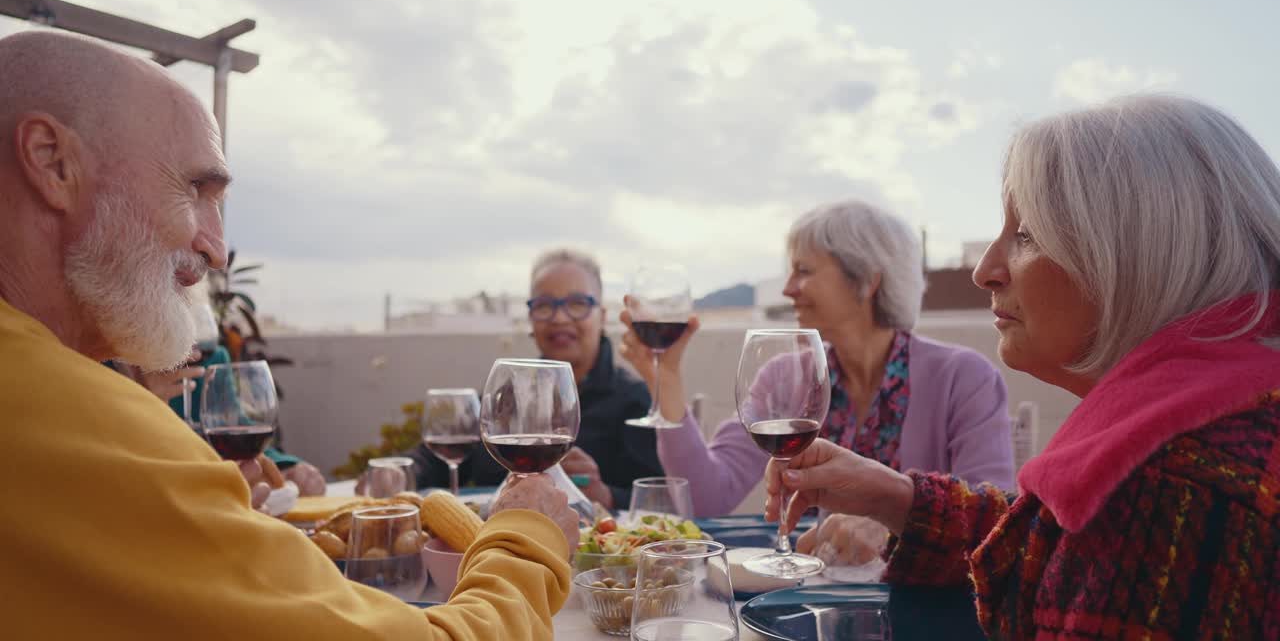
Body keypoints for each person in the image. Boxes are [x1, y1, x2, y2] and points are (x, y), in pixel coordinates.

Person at [0, 30, 577, 641]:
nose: (216, 249)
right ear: (51, 161)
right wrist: (523, 543)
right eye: (195, 190)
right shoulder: (70, 421)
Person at [765, 95, 1280, 639]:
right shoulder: (1221, 417)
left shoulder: (1174, 487)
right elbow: (1056, 554)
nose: (986, 270)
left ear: (1135, 253)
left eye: (1026, 233)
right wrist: (900, 500)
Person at [620, 200, 1015, 526]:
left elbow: (992, 519)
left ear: (867, 279)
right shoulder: (783, 377)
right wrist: (667, 380)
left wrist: (894, 530)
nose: (788, 288)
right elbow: (707, 499)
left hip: (923, 607)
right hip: (814, 600)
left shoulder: (963, 378)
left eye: (803, 271)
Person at [410, 249, 664, 510]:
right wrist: (399, 473)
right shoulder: (506, 394)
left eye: (577, 303)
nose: (560, 318)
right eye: (544, 305)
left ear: (602, 316)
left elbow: (662, 500)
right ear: (531, 319)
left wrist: (605, 495)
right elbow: (435, 461)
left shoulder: (634, 401)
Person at [139, 346, 328, 496]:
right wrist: (139, 400)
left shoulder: (210, 358)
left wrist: (285, 467)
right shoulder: (111, 370)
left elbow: (239, 431)